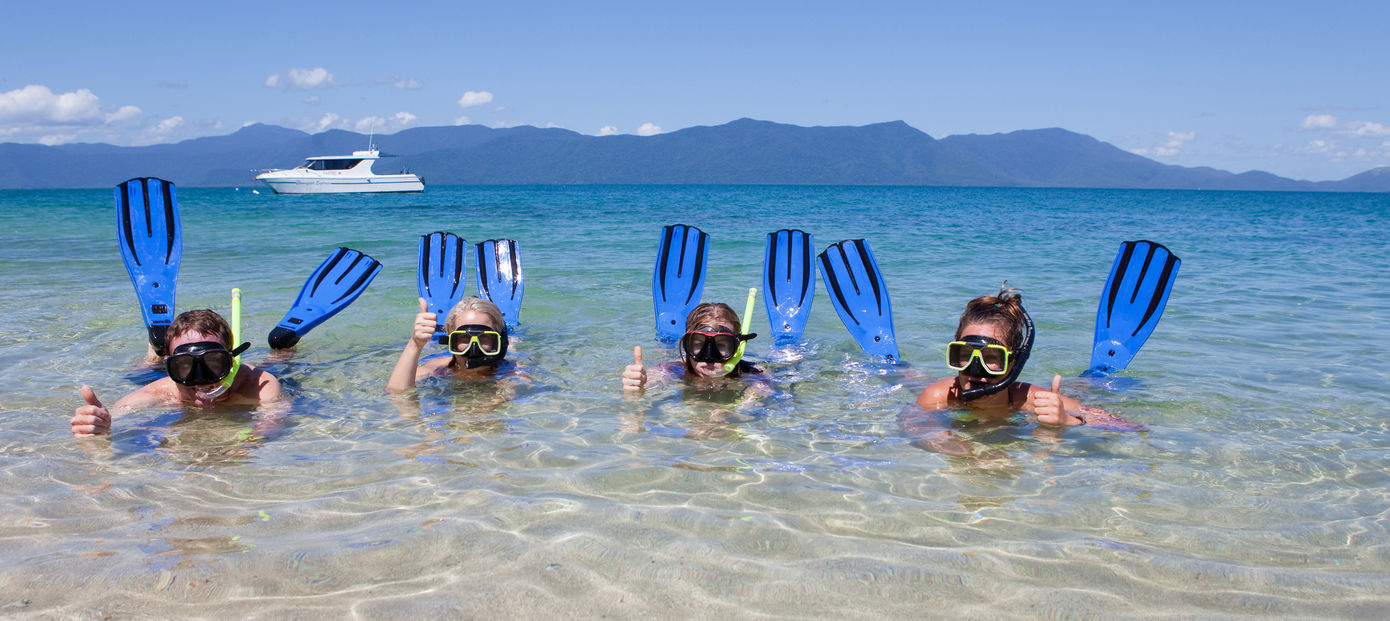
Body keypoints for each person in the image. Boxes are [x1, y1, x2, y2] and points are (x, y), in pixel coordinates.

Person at [71, 309, 282, 437]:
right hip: (157, 375)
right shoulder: (160, 393)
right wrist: (101, 427)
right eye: (184, 365)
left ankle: (282, 350)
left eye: (213, 362)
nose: (201, 379)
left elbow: (273, 423)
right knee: (140, 372)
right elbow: (114, 417)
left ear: (231, 362)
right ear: (170, 368)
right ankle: (154, 354)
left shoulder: (259, 385)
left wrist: (248, 444)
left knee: (280, 361)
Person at [915, 286, 1085, 425]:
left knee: (1081, 387)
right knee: (914, 377)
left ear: (1014, 362)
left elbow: (1107, 423)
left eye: (990, 358)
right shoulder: (940, 397)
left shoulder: (1028, 399)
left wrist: (1068, 420)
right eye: (965, 354)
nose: (976, 369)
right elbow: (913, 426)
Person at [622, 302, 764, 392]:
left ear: (737, 348)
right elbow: (648, 385)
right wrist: (636, 388)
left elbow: (755, 404)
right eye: (698, 344)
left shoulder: (754, 375)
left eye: (721, 345)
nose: (709, 357)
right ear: (686, 345)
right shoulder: (672, 370)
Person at [387, 297, 513, 393]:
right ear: (450, 340)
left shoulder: (512, 373)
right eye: (464, 337)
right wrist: (415, 344)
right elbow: (396, 394)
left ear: (499, 341)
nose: (474, 348)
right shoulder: (438, 370)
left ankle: (513, 342)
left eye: (484, 337)